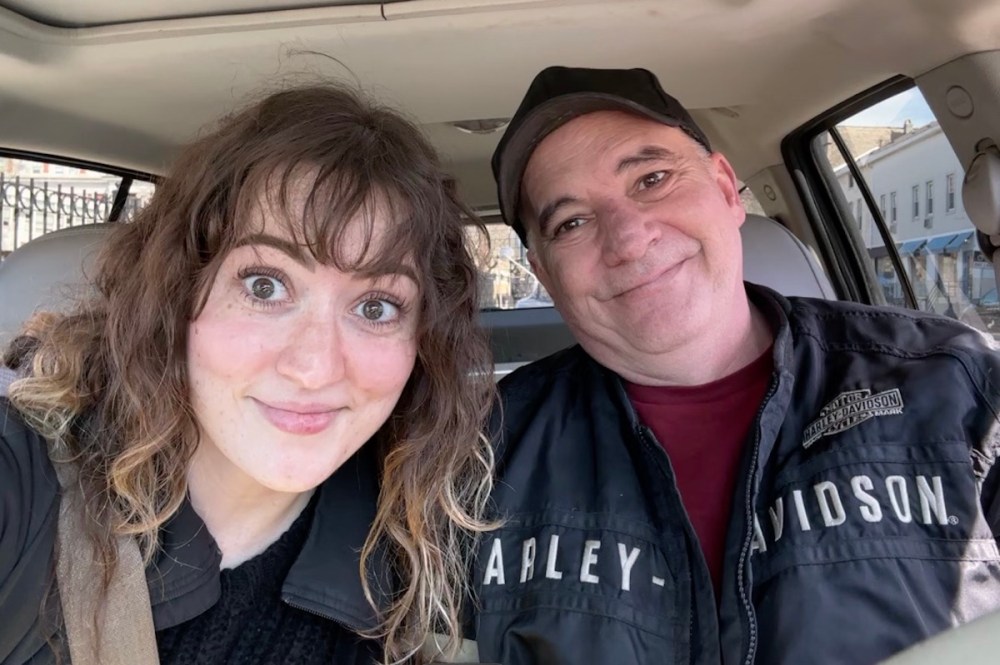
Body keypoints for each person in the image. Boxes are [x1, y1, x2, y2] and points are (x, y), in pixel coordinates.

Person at [471, 66, 1000, 665]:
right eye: (571, 222)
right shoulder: (478, 454)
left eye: (652, 179)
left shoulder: (954, 384)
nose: (628, 240)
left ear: (726, 189)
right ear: (544, 274)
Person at [0, 84, 496, 665]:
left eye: (375, 307)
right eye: (265, 286)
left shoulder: (425, 552)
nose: (314, 368)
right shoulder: (23, 478)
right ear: (176, 295)